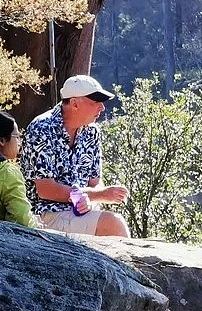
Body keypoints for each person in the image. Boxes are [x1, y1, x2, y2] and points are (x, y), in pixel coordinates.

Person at [19, 75, 130, 236]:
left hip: (80, 213)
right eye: (95, 102)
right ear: (74, 103)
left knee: (113, 223)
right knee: (114, 224)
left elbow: (95, 182)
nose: (102, 107)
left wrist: (91, 199)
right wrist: (99, 195)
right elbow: (45, 189)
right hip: (45, 215)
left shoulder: (91, 132)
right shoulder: (42, 129)